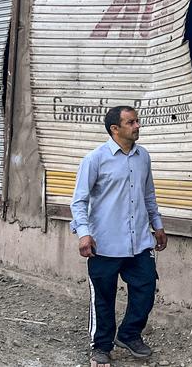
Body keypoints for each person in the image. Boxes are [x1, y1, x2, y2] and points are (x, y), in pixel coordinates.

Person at [71, 105, 168, 367]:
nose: (137, 126)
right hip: (104, 244)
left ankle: (128, 334)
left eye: (137, 121)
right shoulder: (95, 159)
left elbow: (148, 195)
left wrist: (157, 225)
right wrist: (84, 234)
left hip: (139, 242)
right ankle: (101, 347)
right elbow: (79, 201)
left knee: (146, 288)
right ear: (115, 129)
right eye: (131, 122)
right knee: (104, 298)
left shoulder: (143, 156)